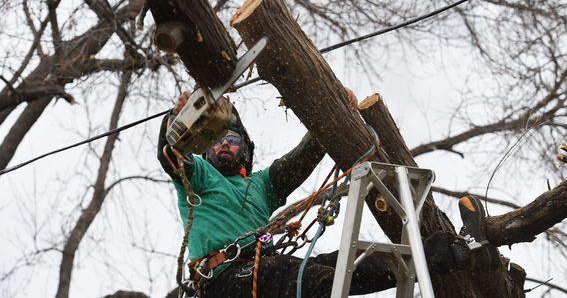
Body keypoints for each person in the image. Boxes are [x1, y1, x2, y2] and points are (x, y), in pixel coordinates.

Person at [157, 91, 398, 297]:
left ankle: (420, 260)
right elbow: (170, 152)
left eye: (232, 139)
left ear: (245, 150)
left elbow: (300, 159)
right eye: (217, 140)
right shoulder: (200, 175)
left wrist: (335, 111)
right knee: (303, 277)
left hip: (261, 269)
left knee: (342, 265)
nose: (225, 145)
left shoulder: (260, 185)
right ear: (205, 149)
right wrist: (178, 118)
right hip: (221, 281)